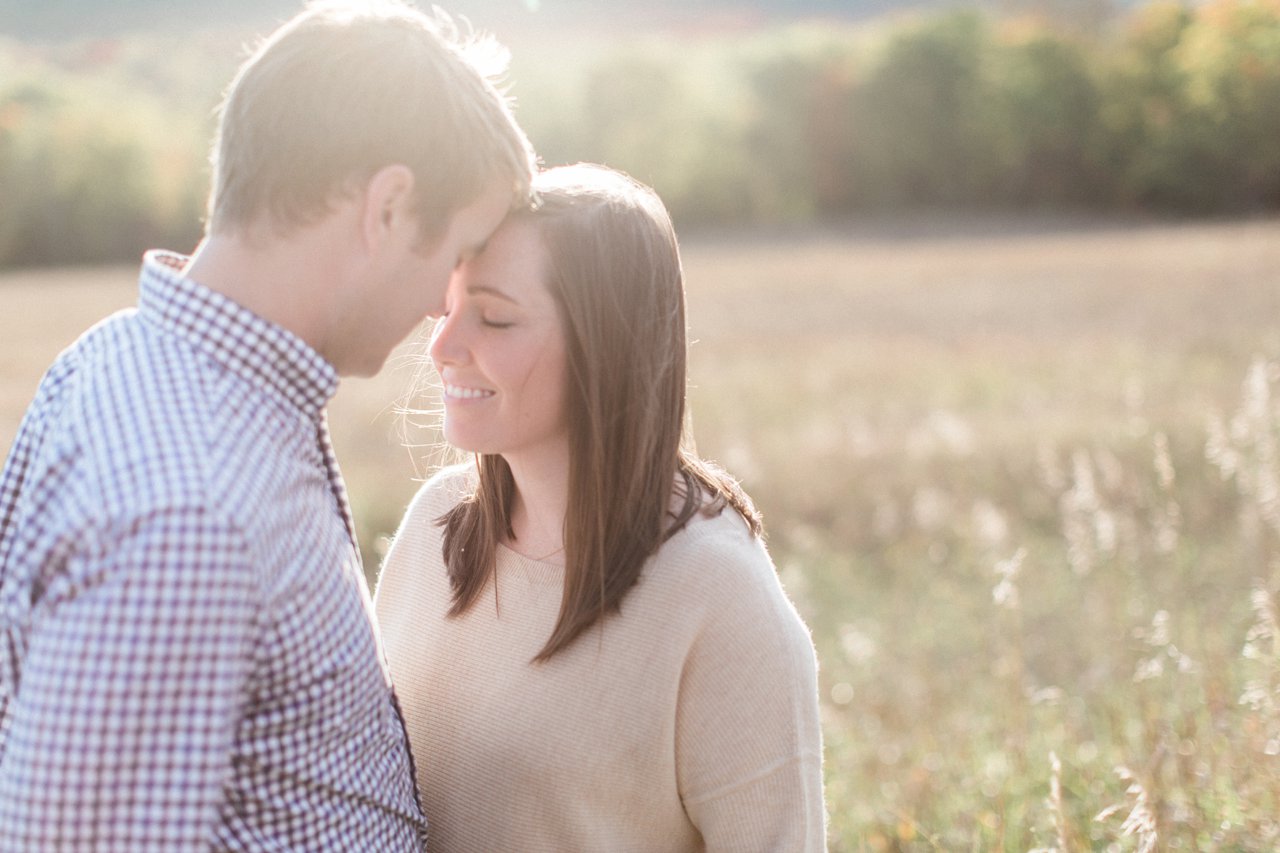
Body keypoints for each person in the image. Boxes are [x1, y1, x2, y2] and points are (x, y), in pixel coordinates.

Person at [0, 1, 535, 849]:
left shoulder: (114, 358)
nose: (444, 303)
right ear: (389, 208)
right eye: (454, 251)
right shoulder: (192, 513)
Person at [375, 163, 827, 851]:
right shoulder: (433, 529)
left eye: (494, 317)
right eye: (448, 306)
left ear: (604, 342)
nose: (441, 346)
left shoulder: (719, 598)